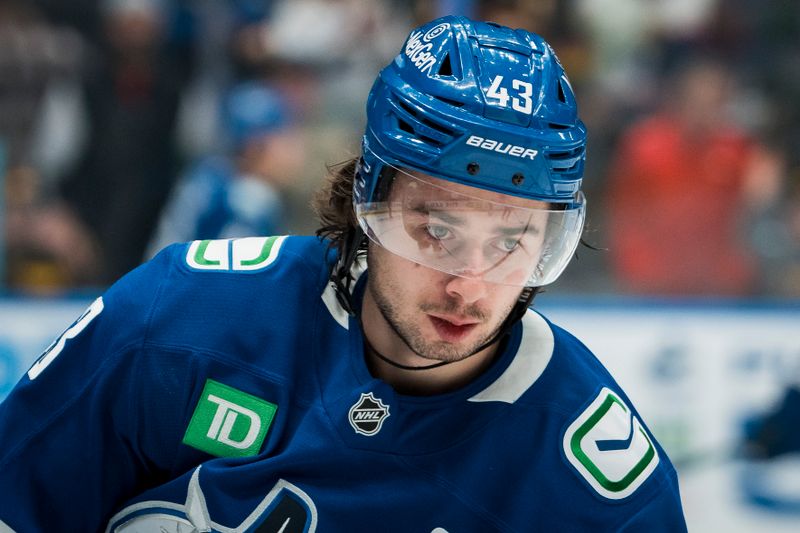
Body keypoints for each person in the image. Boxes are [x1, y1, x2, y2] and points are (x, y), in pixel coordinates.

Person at [0, 16, 687, 531]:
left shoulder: (600, 491)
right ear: (370, 198)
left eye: (512, 242)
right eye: (437, 231)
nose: (469, 285)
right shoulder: (178, 320)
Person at [145, 80, 303, 256]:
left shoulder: (207, 174)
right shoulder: (249, 197)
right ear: (255, 146)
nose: (295, 151)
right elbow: (235, 270)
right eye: (284, 139)